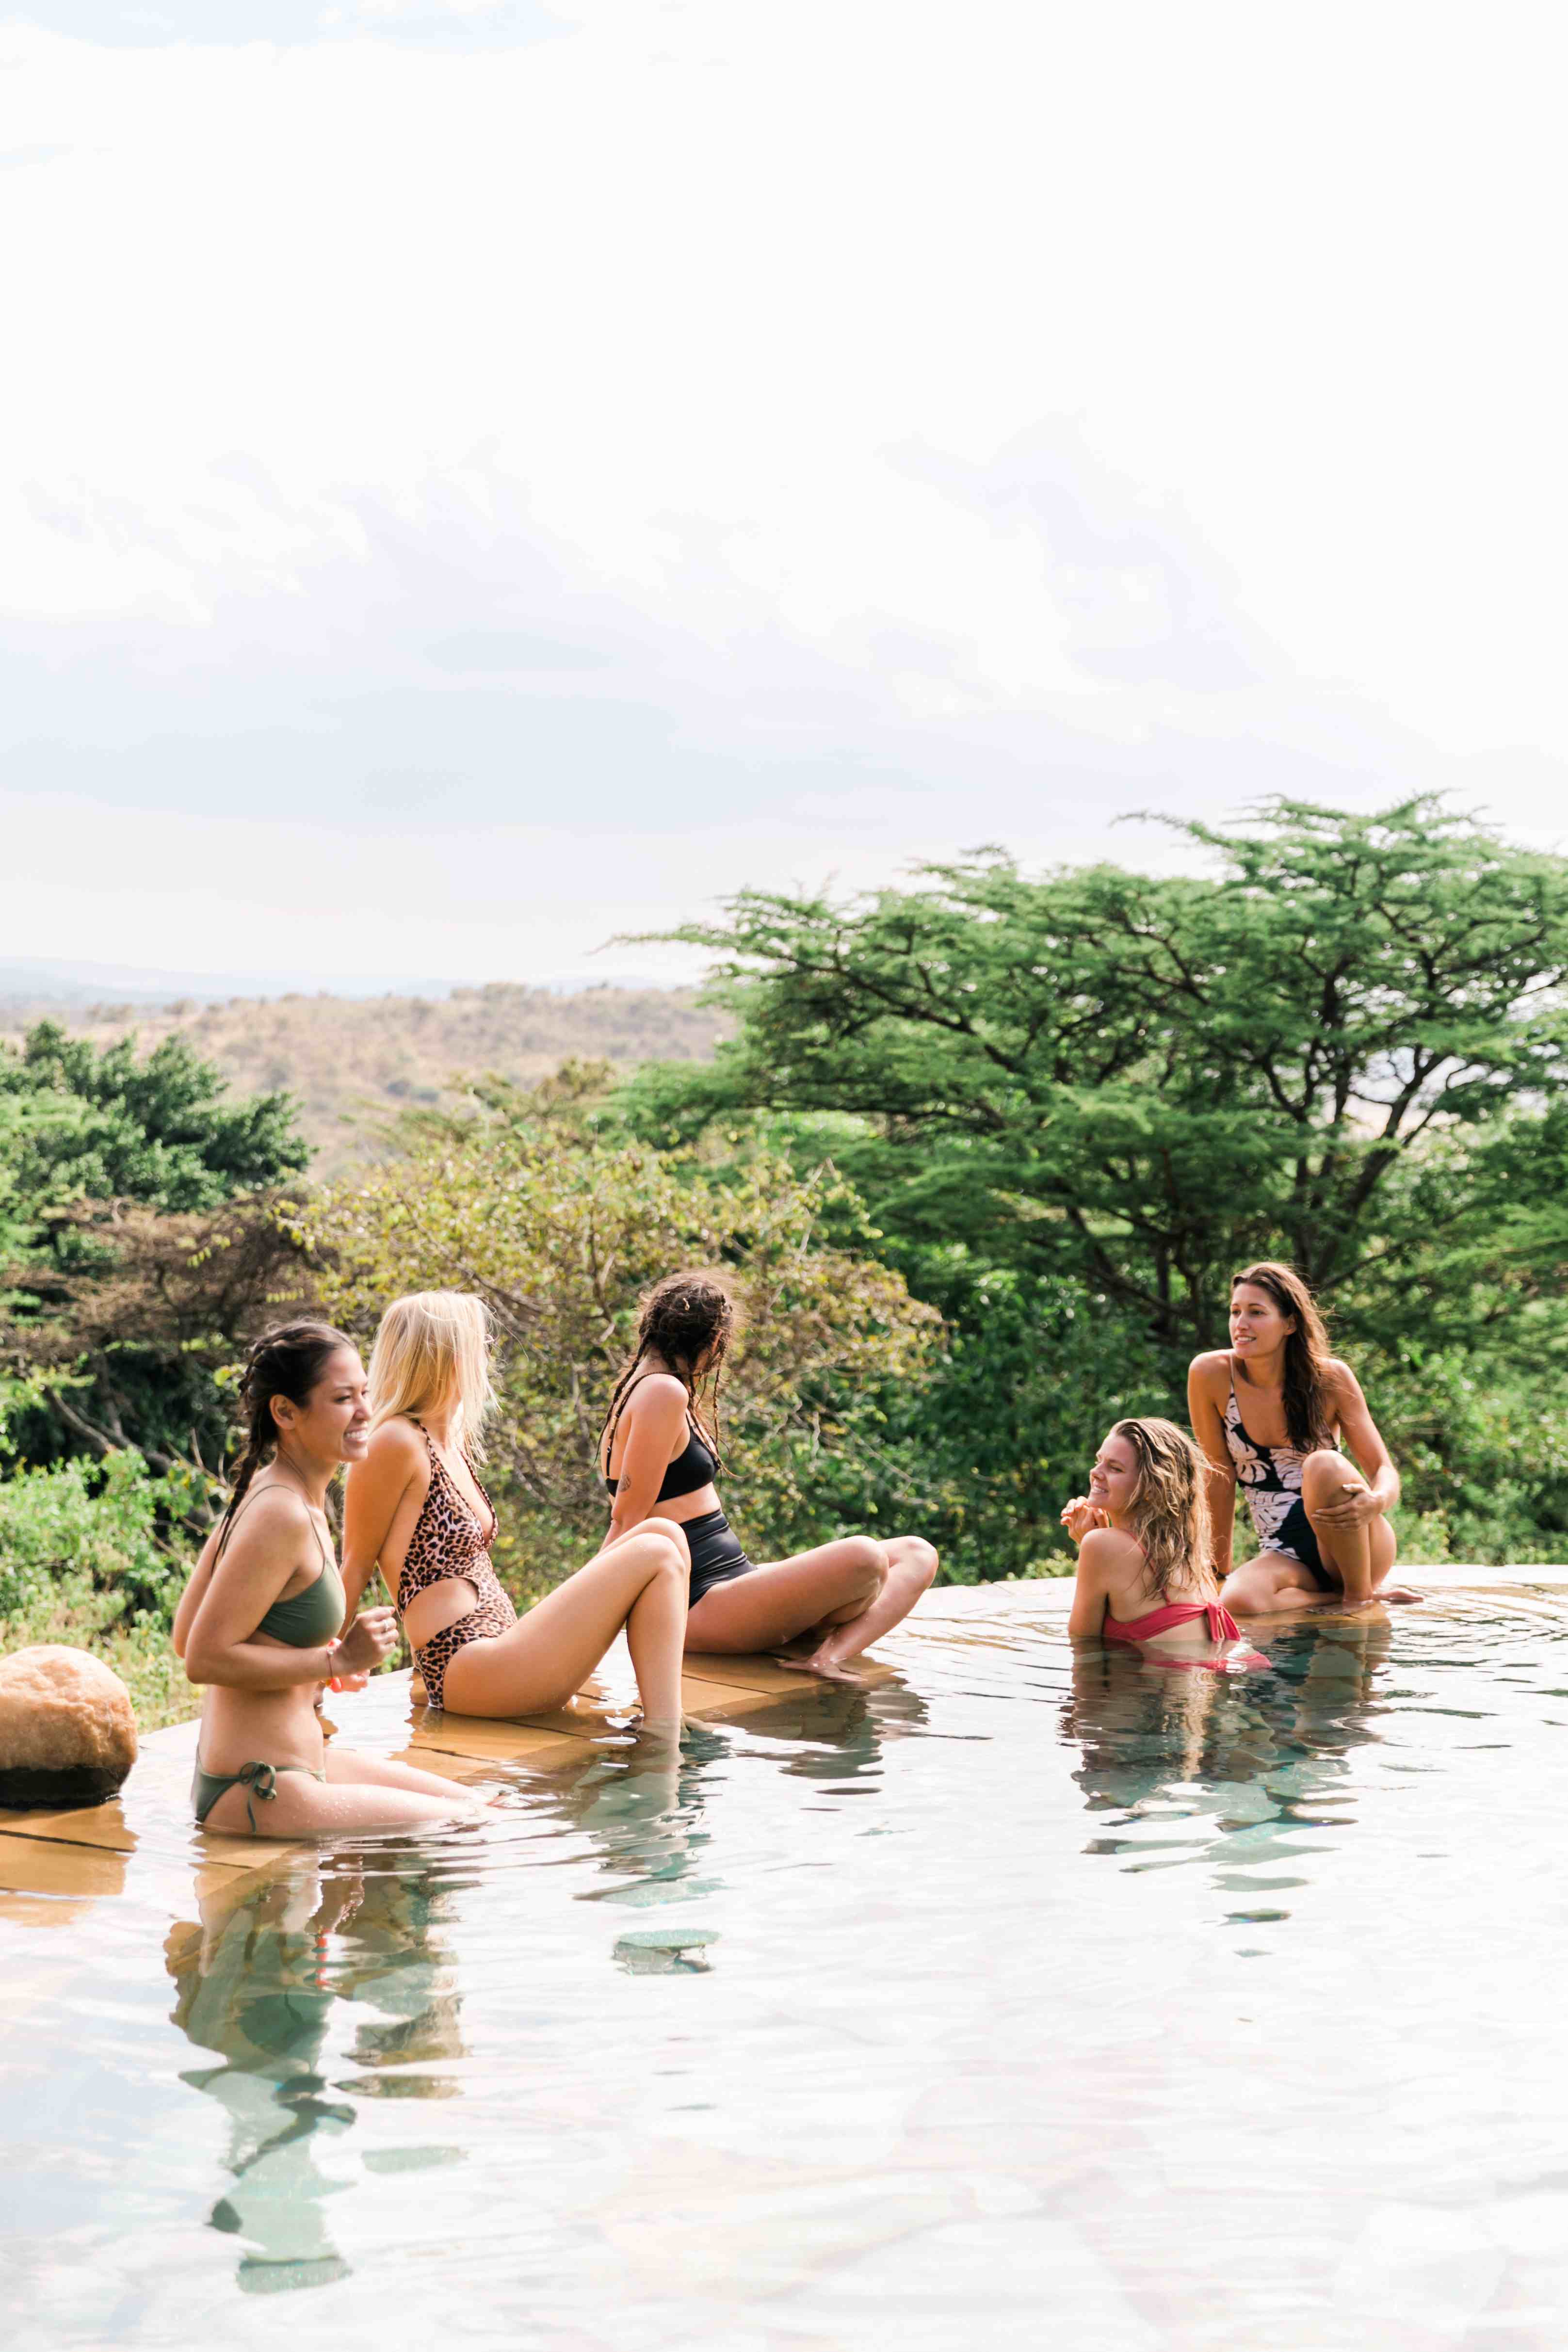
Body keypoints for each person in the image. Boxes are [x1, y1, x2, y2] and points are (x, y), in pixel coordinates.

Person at [175, 1323, 485, 1836]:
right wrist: (333, 1659)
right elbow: (203, 1657)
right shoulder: (280, 1512)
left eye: (364, 1392)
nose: (366, 1410)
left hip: (289, 1765)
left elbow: (189, 1634)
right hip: (262, 1785)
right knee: (467, 1829)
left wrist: (317, 1660)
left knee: (483, 1805)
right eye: (343, 1398)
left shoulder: (279, 1493)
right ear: (285, 1412)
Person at [341, 1291, 689, 1730]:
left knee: (664, 1534)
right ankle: (665, 1734)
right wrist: (319, 1672)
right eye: (479, 1344)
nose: (487, 1354)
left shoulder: (446, 1440)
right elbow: (354, 1566)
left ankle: (662, 1720)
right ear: (446, 1354)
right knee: (655, 1551)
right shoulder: (395, 1442)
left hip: (501, 1652)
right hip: (466, 1667)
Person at [598, 1270, 938, 1680]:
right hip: (697, 1600)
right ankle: (819, 1652)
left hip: (735, 1583)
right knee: (864, 1556)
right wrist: (584, 1619)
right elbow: (626, 1519)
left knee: (917, 1554)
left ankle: (826, 1658)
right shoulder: (661, 1392)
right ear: (715, 1341)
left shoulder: (657, 1388)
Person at [1188, 1260, 1421, 1613]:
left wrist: (1376, 1501)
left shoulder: (1331, 1379)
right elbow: (1218, 1475)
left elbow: (1382, 1468)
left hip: (1356, 1541)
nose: (1241, 1324)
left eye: (1256, 1312)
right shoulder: (1211, 1374)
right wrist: (1216, 1570)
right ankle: (1343, 1598)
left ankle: (1358, 1597)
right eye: (1235, 1312)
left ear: (1290, 1324)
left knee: (1324, 1464)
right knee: (1237, 1601)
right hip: (1284, 1550)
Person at [1061, 1416, 1248, 1654]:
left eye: (1115, 1468)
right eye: (1099, 1461)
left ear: (1151, 1488)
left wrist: (1089, 1542)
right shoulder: (1189, 1553)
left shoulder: (1101, 1545)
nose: (1096, 1473)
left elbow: (1083, 1647)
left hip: (1165, 1688)